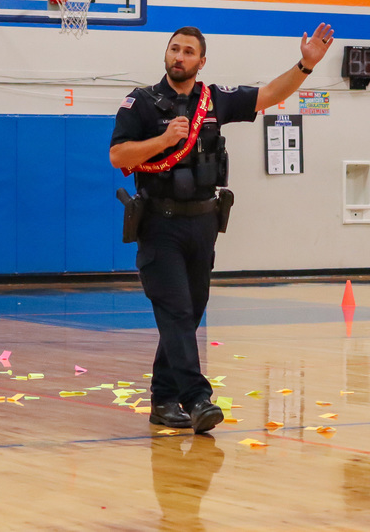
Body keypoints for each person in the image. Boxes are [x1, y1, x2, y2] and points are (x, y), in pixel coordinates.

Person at [109, 23, 334, 433]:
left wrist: (305, 65)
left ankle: (162, 401)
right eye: (174, 49)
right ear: (167, 55)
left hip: (203, 224)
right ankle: (196, 399)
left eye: (188, 51)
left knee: (188, 315)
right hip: (159, 224)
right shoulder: (140, 103)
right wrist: (161, 141)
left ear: (201, 61)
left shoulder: (214, 100)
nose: (179, 56)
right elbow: (118, 154)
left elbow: (268, 95)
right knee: (175, 311)